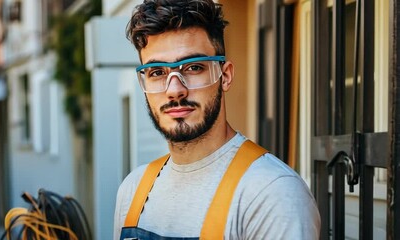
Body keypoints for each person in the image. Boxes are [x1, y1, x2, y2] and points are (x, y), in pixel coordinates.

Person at [114, 0, 321, 239]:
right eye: (157, 72)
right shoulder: (132, 190)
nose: (174, 90)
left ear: (225, 76)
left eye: (193, 68)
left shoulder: (272, 192)